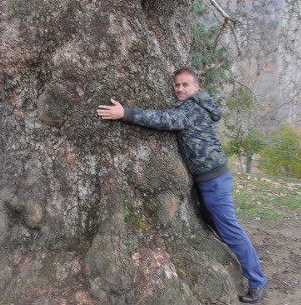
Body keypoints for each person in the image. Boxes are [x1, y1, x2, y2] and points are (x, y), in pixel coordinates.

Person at [96, 67, 268, 303]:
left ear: (196, 87)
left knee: (230, 230)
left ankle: (258, 281)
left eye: (185, 85)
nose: (180, 89)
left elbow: (165, 120)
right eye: (177, 85)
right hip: (207, 179)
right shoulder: (194, 105)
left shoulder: (191, 109)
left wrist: (125, 113)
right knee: (211, 223)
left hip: (213, 180)